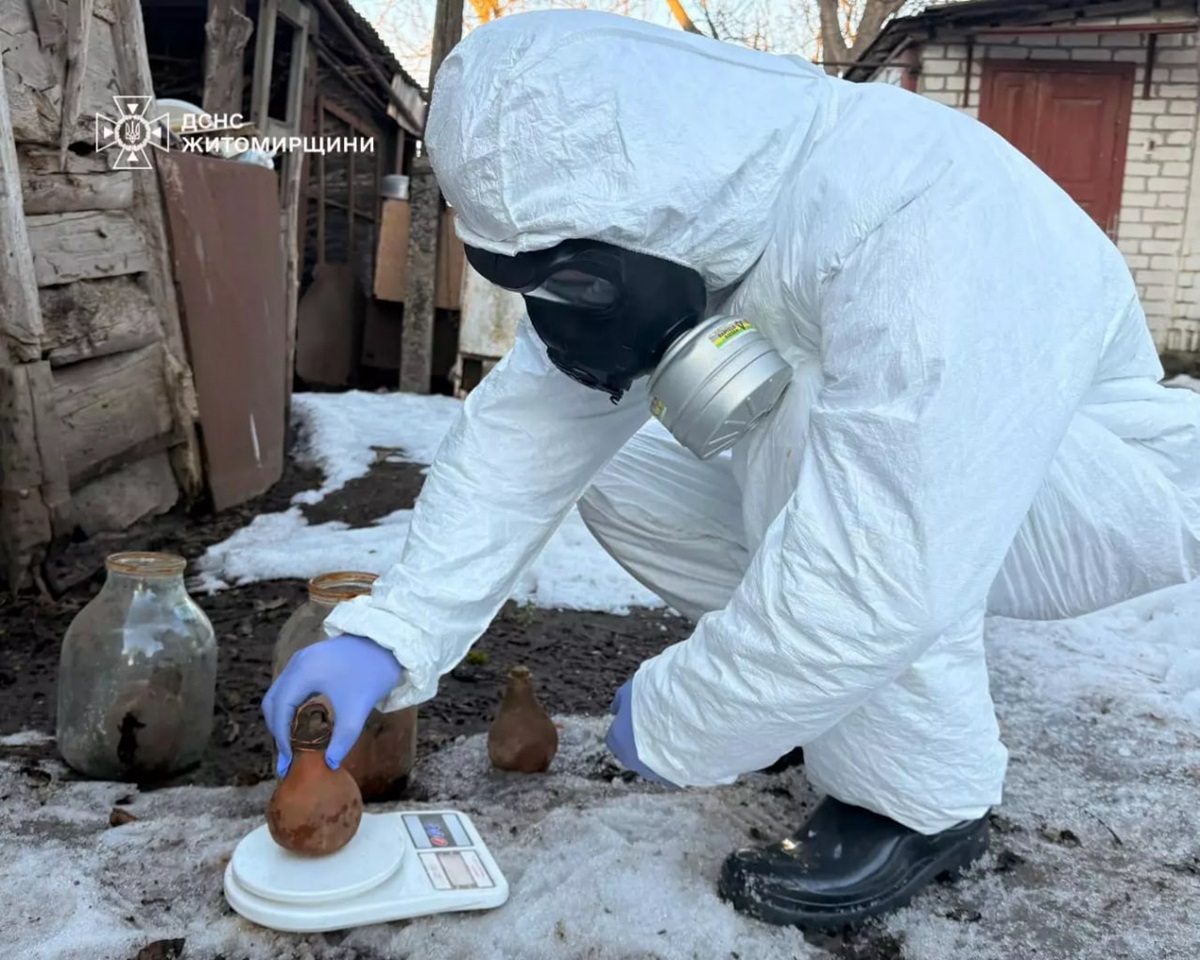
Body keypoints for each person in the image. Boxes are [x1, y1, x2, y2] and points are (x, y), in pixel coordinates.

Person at [262, 9, 1200, 930]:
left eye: (568, 277)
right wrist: (393, 633)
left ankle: (919, 800)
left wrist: (685, 715)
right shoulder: (678, 211)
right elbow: (529, 433)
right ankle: (821, 701)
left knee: (803, 420)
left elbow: (881, 558)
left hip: (1099, 489)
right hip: (911, 495)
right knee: (623, 470)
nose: (559, 307)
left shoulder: (925, 209)